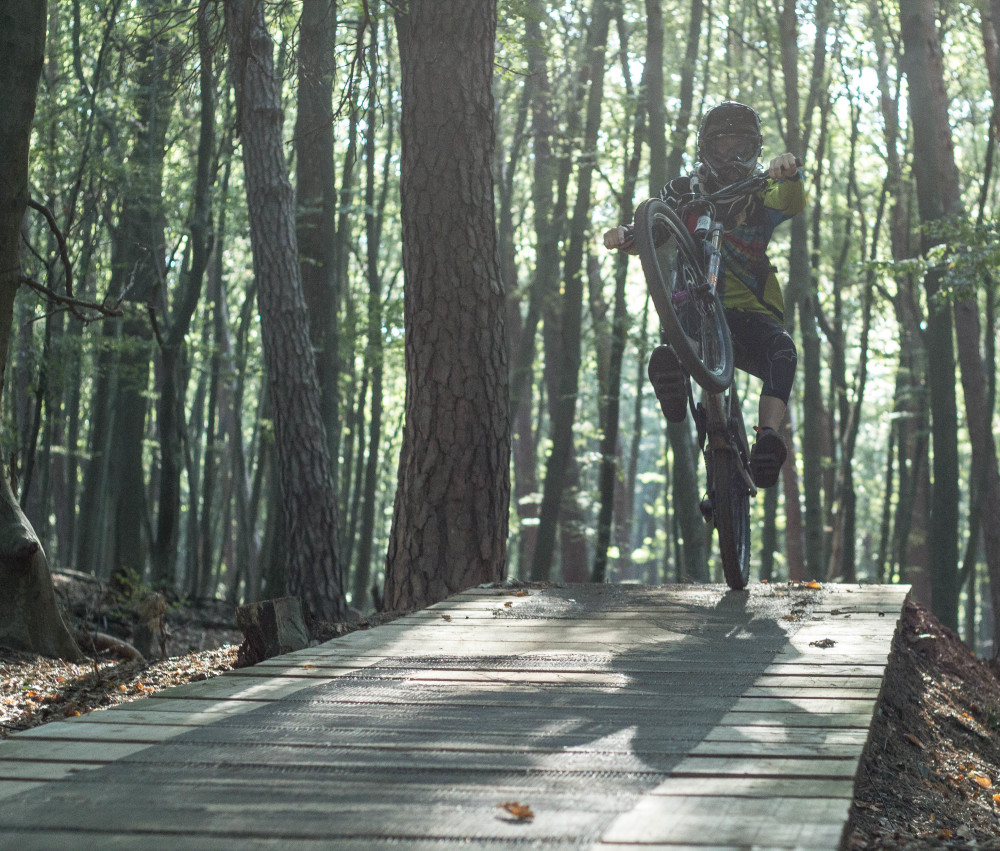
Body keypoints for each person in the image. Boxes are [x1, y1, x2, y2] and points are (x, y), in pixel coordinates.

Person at [603, 101, 805, 489]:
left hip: (749, 313)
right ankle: (675, 376)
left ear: (756, 149)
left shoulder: (762, 188)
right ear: (705, 148)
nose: (732, 155)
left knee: (783, 350)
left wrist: (787, 170)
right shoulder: (682, 190)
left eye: (741, 147)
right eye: (723, 146)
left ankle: (768, 438)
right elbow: (653, 231)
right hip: (695, 306)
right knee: (690, 324)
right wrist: (626, 234)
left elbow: (792, 201)